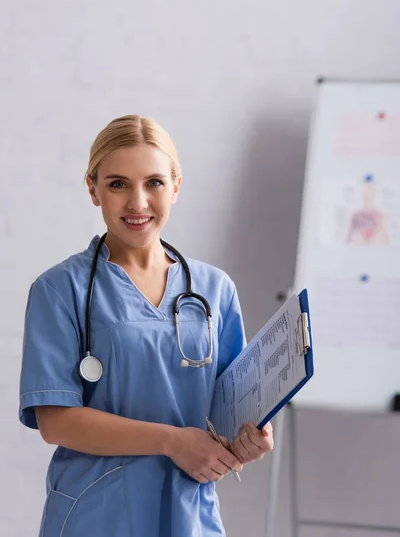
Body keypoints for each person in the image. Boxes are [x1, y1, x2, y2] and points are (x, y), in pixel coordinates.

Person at [19, 115, 273, 537]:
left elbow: (233, 407)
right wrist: (171, 441)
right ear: (92, 188)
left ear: (176, 186)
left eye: (154, 182)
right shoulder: (59, 289)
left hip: (189, 513)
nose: (137, 202)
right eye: (118, 184)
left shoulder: (214, 289)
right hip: (96, 513)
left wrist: (253, 437)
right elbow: (56, 421)